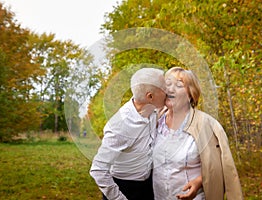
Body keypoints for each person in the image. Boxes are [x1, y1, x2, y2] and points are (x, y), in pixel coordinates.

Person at [152, 67, 243, 200]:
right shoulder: (153, 122)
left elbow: (219, 167)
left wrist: (199, 181)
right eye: (167, 84)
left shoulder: (207, 125)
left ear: (191, 95)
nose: (170, 89)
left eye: (178, 85)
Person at [90, 68, 166, 200]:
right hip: (124, 188)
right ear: (150, 96)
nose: (168, 91)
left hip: (147, 186)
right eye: (164, 88)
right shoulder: (120, 125)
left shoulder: (152, 109)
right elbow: (98, 170)